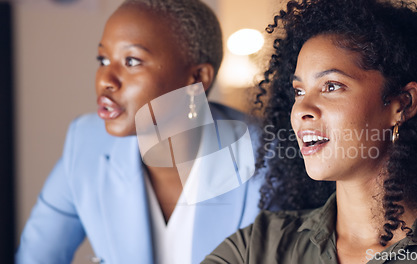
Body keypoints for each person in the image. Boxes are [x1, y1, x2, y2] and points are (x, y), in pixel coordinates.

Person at [203, 0, 417, 263]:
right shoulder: (257, 247)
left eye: (331, 86)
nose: (302, 108)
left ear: (402, 104)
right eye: (298, 91)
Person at [16, 0, 262, 263]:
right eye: (103, 59)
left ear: (198, 78)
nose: (105, 80)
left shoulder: (266, 158)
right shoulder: (87, 144)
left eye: (131, 61)